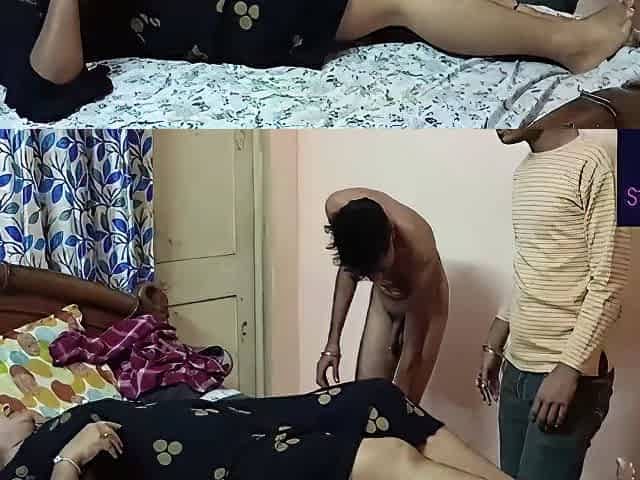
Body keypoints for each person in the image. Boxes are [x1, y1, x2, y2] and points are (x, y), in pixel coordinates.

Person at [1, 0, 637, 122]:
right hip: (230, 19)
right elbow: (44, 83)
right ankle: (571, 43)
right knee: (399, 1)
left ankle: (547, 24)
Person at [476, 129, 631, 480]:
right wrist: (496, 340)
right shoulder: (525, 170)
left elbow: (610, 281)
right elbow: (530, 265)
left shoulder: (598, 163)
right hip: (516, 367)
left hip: (566, 376)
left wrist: (569, 367)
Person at [0, 379, 512, 480]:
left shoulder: (41, 431)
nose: (5, 403)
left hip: (236, 420)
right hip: (215, 467)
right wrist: (70, 457)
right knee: (389, 456)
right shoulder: (20, 471)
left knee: (378, 397)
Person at [316, 189, 448, 405]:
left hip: (426, 303)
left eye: (380, 269)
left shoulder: (420, 245)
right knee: (364, 400)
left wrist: (398, 410)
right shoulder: (337, 208)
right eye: (367, 274)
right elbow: (349, 268)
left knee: (404, 406)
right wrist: (332, 345)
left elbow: (412, 354)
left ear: (392, 235)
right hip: (384, 302)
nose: (376, 278)